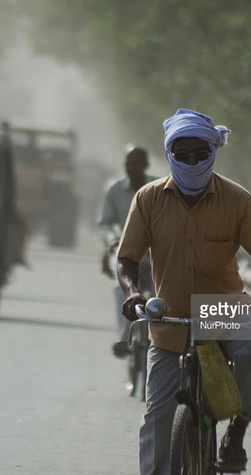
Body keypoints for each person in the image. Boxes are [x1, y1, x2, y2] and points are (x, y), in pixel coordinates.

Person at [116, 109, 251, 474]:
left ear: (213, 152)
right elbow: (126, 258)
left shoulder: (238, 201)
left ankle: (235, 434)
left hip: (224, 314)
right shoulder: (148, 199)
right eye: (182, 155)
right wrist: (132, 292)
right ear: (169, 155)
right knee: (158, 422)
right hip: (170, 322)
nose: (191, 161)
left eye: (200, 154)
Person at [98, 146, 158, 358]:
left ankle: (164, 339)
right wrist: (112, 240)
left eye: (136, 163)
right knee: (121, 290)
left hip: (155, 256)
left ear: (145, 165)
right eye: (128, 163)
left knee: (162, 294)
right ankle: (123, 337)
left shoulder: (158, 188)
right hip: (125, 254)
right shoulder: (114, 189)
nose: (132, 168)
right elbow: (105, 222)